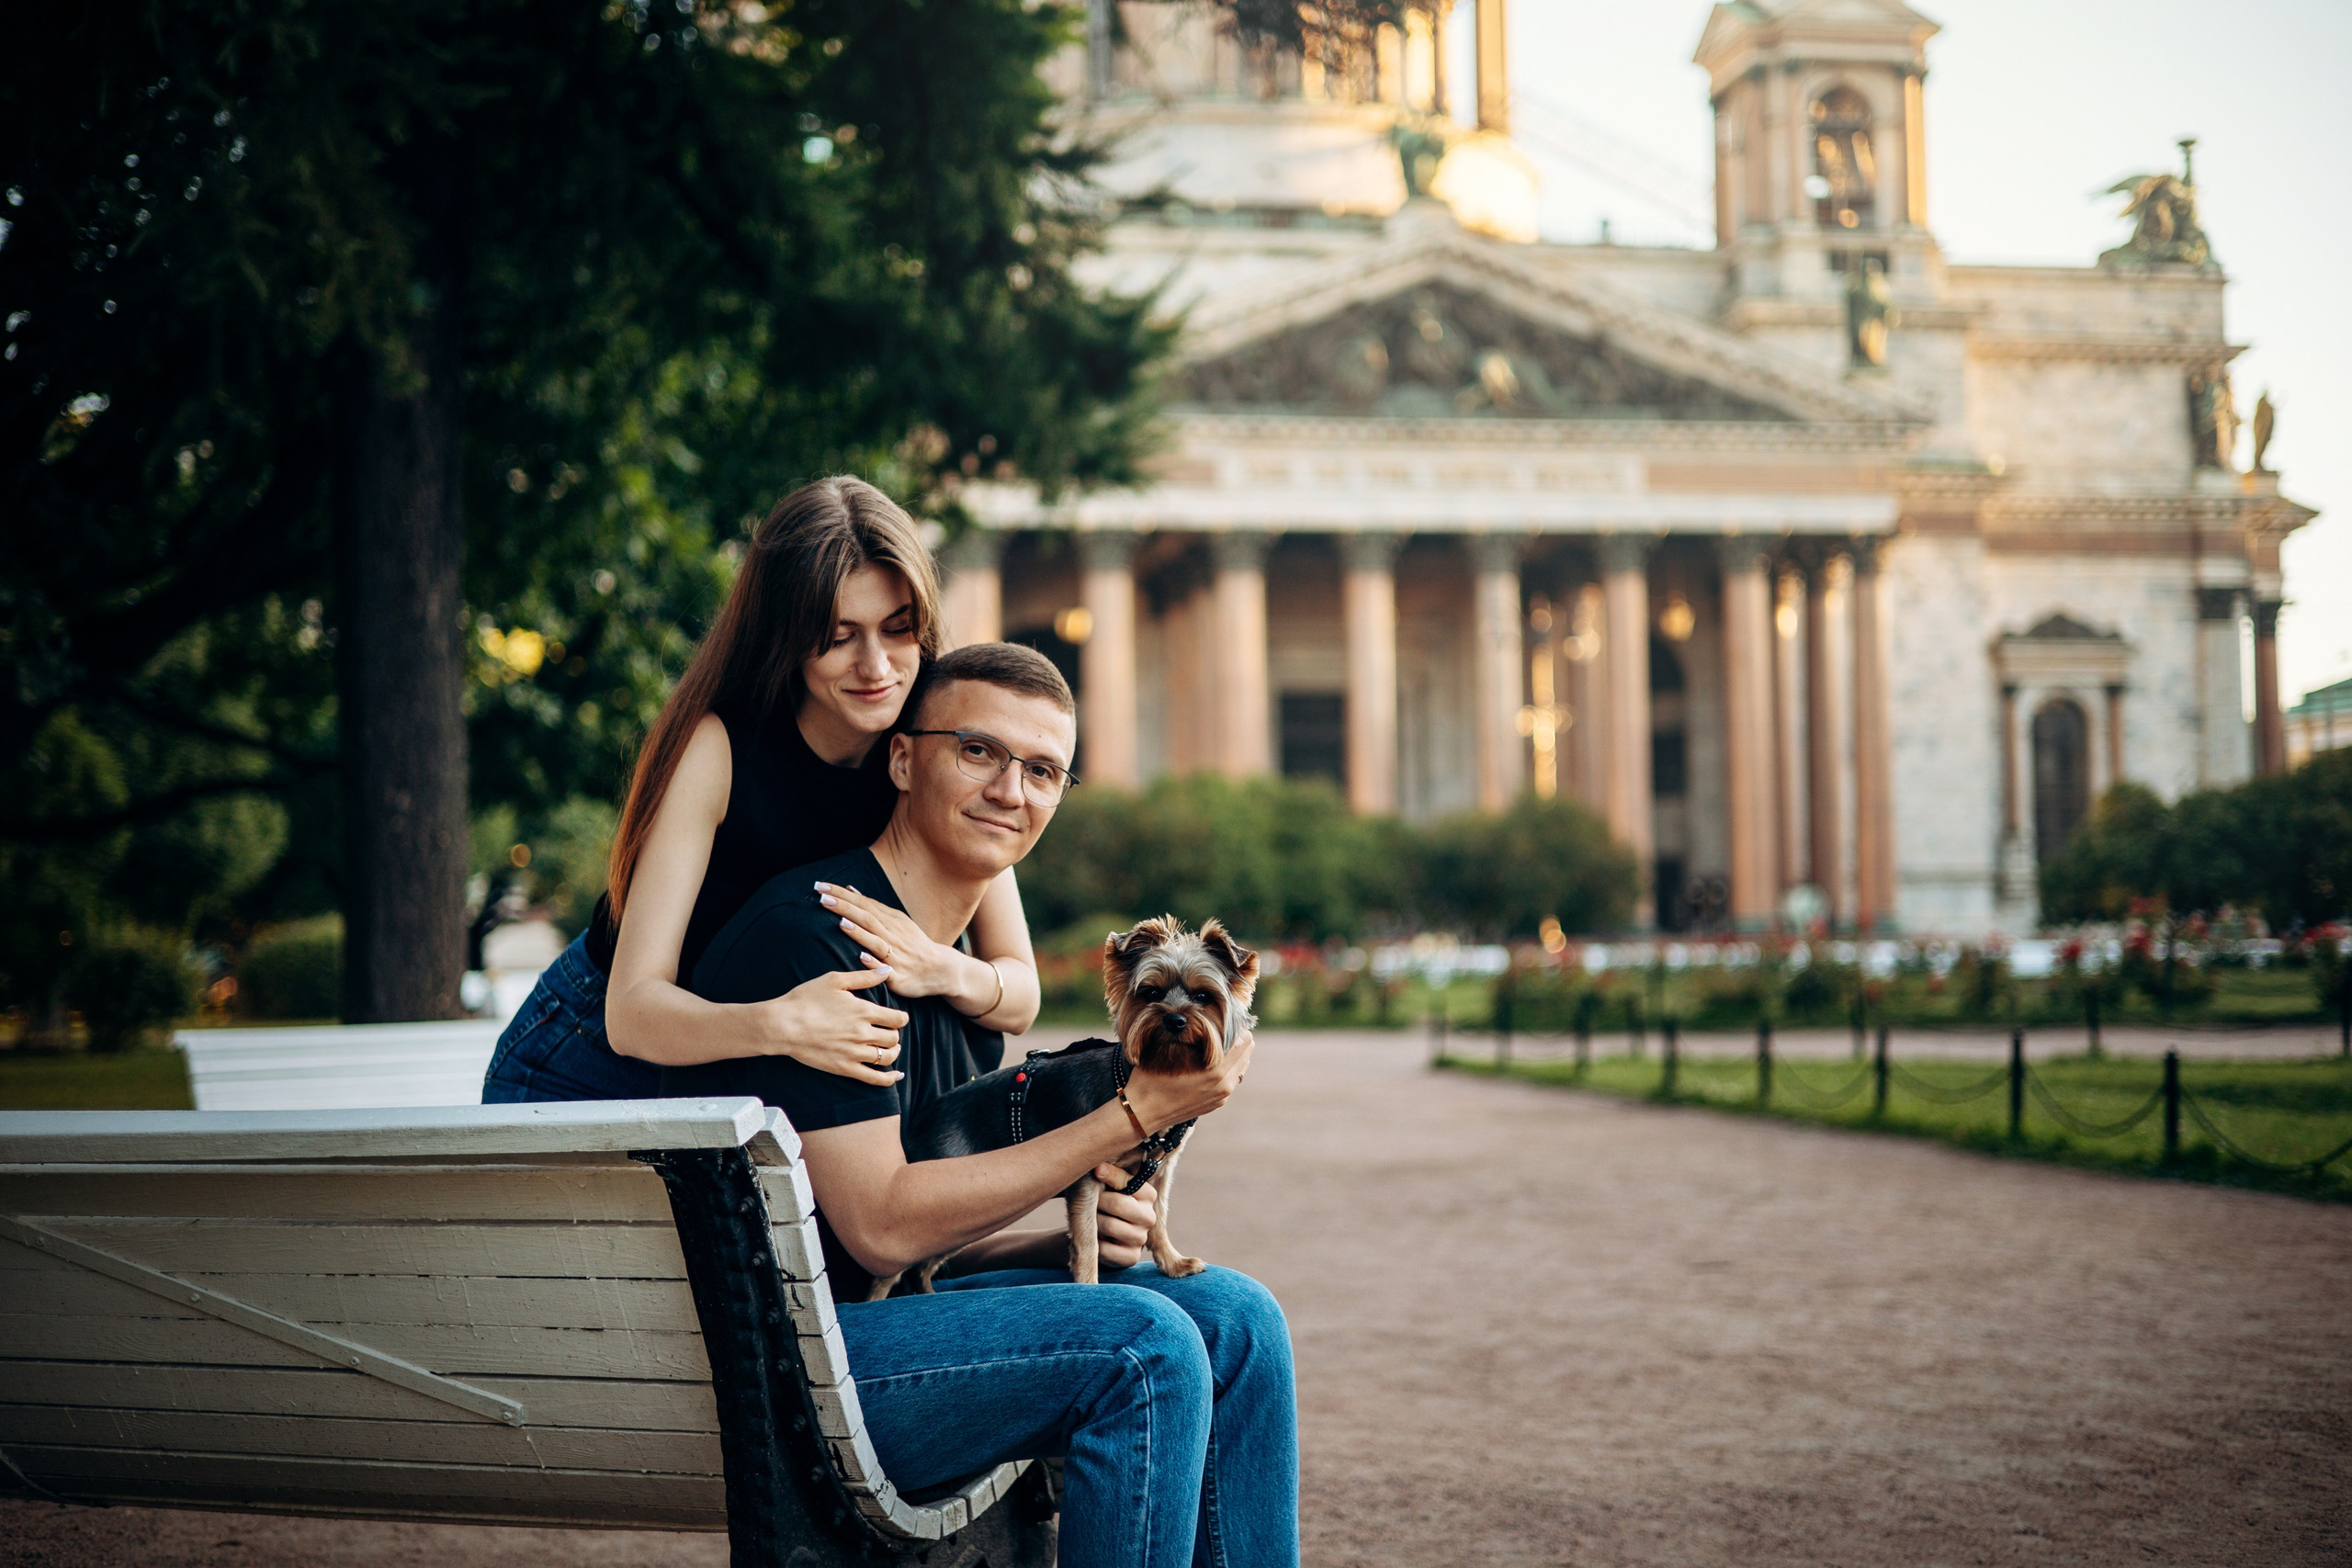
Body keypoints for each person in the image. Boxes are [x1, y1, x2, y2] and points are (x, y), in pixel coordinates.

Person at [667, 643, 1299, 1568]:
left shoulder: (958, 980)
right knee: (1145, 1345)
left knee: (1236, 1317)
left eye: (1041, 769)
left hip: (874, 1318)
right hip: (792, 1370)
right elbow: (880, 1231)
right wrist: (1130, 1116)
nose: (1011, 788)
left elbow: (911, 1239)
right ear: (902, 757)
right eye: (978, 751)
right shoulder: (826, 941)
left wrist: (1054, 1244)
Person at [483, 476, 1040, 1103]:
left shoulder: (935, 734)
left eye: (897, 628)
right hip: (590, 1063)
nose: (876, 667)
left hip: (753, 1075)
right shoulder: (718, 747)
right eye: (838, 635)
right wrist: (783, 1023)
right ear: (787, 633)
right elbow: (632, 1010)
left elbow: (1018, 992)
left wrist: (941, 967)